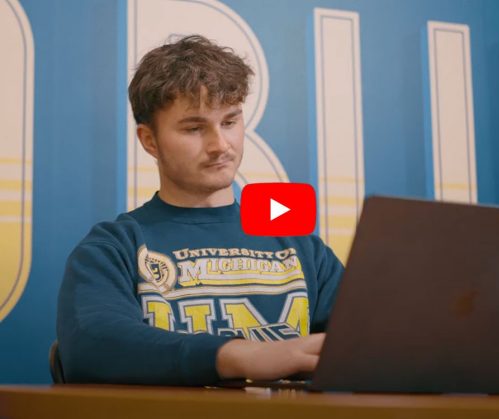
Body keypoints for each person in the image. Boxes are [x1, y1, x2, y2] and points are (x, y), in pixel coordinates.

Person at [57, 35, 344, 386]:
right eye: (194, 128)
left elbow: (371, 345)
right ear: (149, 140)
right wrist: (240, 355)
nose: (220, 145)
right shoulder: (115, 246)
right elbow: (92, 344)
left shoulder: (303, 247)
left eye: (230, 121)